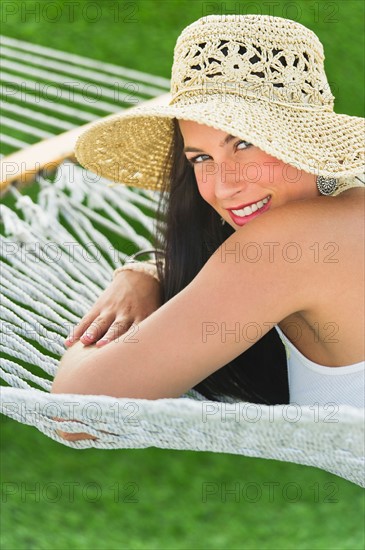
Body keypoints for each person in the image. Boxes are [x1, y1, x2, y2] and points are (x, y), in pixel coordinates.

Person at [51, 14, 365, 425]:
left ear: (306, 139)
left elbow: (76, 414)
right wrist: (148, 270)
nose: (223, 187)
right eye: (201, 158)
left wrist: (128, 290)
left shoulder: (284, 247)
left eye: (245, 143)